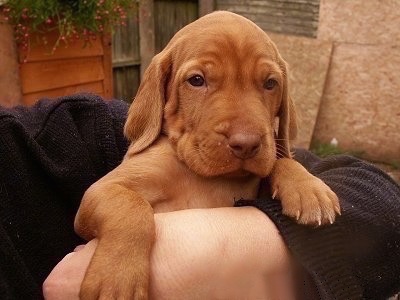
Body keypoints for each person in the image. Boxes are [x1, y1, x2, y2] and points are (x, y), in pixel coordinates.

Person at [0, 93, 399, 299]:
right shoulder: (157, 154)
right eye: (198, 81)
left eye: (267, 83)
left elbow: (380, 202)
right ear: (162, 92)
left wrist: (287, 168)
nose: (242, 133)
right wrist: (130, 228)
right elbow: (101, 199)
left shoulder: (73, 131)